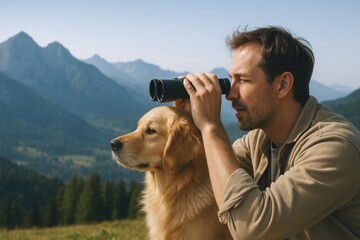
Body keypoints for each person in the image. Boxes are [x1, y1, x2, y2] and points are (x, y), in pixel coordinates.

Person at [174, 26, 360, 239]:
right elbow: (205, 181)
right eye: (229, 81)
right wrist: (193, 124)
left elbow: (252, 227)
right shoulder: (260, 140)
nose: (230, 94)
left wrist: (210, 127)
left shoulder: (335, 147)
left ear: (283, 85)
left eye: (242, 80)